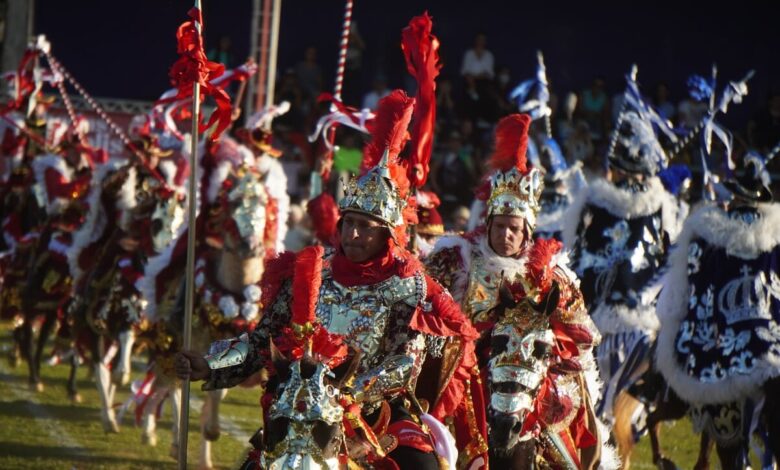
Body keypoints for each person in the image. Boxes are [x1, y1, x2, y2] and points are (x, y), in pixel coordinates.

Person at [175, 90, 489, 469]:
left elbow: (404, 363)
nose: (353, 234)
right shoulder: (311, 270)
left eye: (366, 227)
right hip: (302, 409)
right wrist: (210, 364)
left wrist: (345, 393)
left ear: (387, 234)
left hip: (373, 413)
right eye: (349, 223)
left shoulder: (408, 284)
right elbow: (262, 341)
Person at [425, 114, 607, 468]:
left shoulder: (548, 272)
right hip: (468, 368)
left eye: (514, 228)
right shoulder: (457, 259)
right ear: (488, 224)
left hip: (529, 370)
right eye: (500, 226)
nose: (505, 235)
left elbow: (581, 332)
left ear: (526, 231)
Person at [656, 154, 780, 467]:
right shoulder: (775, 237)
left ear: (734, 197)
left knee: (729, 451)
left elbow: (683, 293)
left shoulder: (706, 236)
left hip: (721, 351)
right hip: (773, 348)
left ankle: (656, 393)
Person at [563, 110, 680, 431]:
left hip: (637, 312)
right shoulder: (594, 202)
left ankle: (619, 415)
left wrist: (649, 293)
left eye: (636, 175)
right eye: (625, 173)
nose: (632, 181)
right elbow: (575, 248)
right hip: (593, 308)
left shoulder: (658, 207)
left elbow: (670, 256)